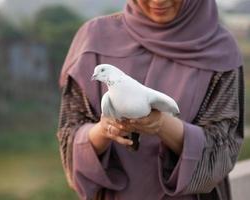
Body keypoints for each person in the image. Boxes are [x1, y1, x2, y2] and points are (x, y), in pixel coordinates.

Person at [57, 0, 244, 199]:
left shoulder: (220, 51)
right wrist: (105, 129)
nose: (158, 1)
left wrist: (162, 124)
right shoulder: (94, 39)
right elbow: (69, 135)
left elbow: (224, 148)